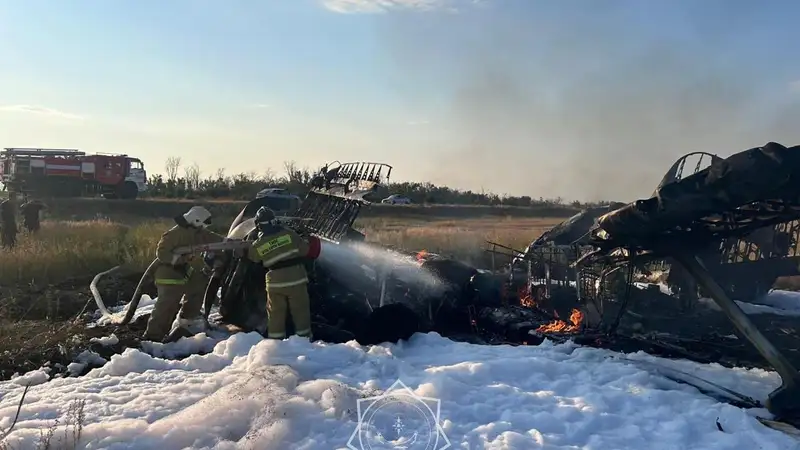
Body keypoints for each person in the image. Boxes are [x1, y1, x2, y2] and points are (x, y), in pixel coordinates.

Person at [143, 206, 225, 342]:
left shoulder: (196, 231)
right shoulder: (173, 235)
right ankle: (153, 336)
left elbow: (210, 237)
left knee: (198, 284)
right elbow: (162, 254)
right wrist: (182, 259)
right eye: (203, 224)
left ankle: (187, 320)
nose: (203, 227)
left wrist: (228, 242)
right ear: (196, 220)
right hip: (168, 274)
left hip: (184, 270)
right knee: (167, 305)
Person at [247, 206, 321, 339]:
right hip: (296, 280)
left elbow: (253, 257)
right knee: (301, 313)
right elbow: (305, 251)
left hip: (275, 284)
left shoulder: (258, 244)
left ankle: (276, 343)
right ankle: (304, 342)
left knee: (275, 315)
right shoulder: (288, 234)